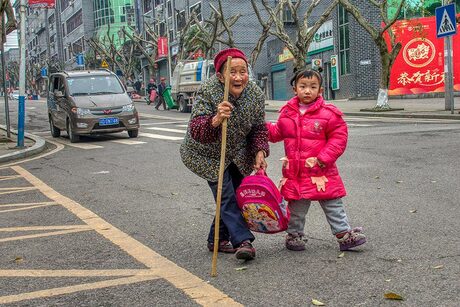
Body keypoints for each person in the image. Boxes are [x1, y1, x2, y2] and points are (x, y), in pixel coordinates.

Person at [180, 48, 269, 260]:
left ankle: (217, 240)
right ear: (220, 76)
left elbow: (258, 127)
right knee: (226, 196)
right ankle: (243, 241)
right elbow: (198, 129)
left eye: (243, 71)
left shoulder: (255, 94)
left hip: (236, 153)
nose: (238, 77)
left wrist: (259, 151)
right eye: (232, 72)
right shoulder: (209, 91)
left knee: (235, 195)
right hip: (207, 154)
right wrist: (216, 119)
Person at [266, 69, 366, 252]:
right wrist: (259, 128)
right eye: (303, 86)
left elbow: (338, 138)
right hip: (296, 173)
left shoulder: (329, 114)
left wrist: (323, 159)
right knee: (296, 207)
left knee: (333, 204)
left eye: (313, 87)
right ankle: (294, 236)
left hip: (322, 172)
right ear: (295, 89)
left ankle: (344, 235)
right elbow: (276, 133)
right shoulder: (287, 113)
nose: (307, 91)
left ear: (320, 90)